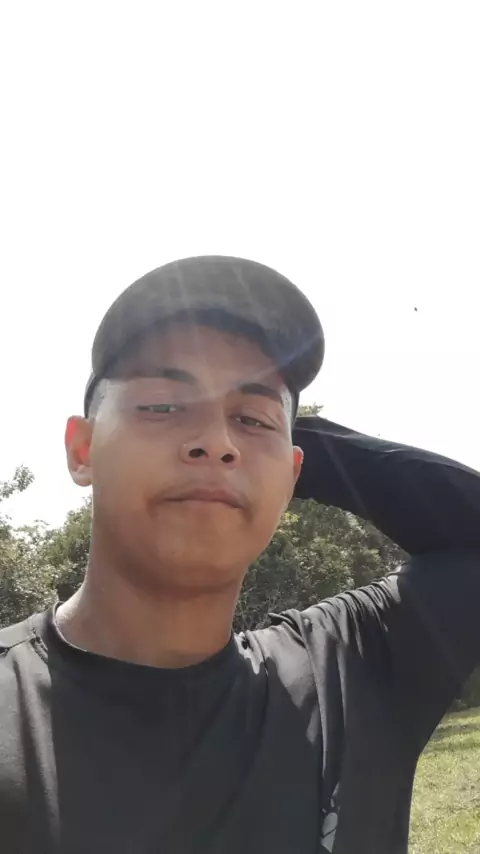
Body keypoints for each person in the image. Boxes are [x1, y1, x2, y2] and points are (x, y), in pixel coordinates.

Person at [1, 256, 479, 854]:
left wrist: (288, 455)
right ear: (82, 449)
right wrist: (261, 439)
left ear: (296, 474)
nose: (216, 442)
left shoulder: (353, 668)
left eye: (251, 419)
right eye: (163, 406)